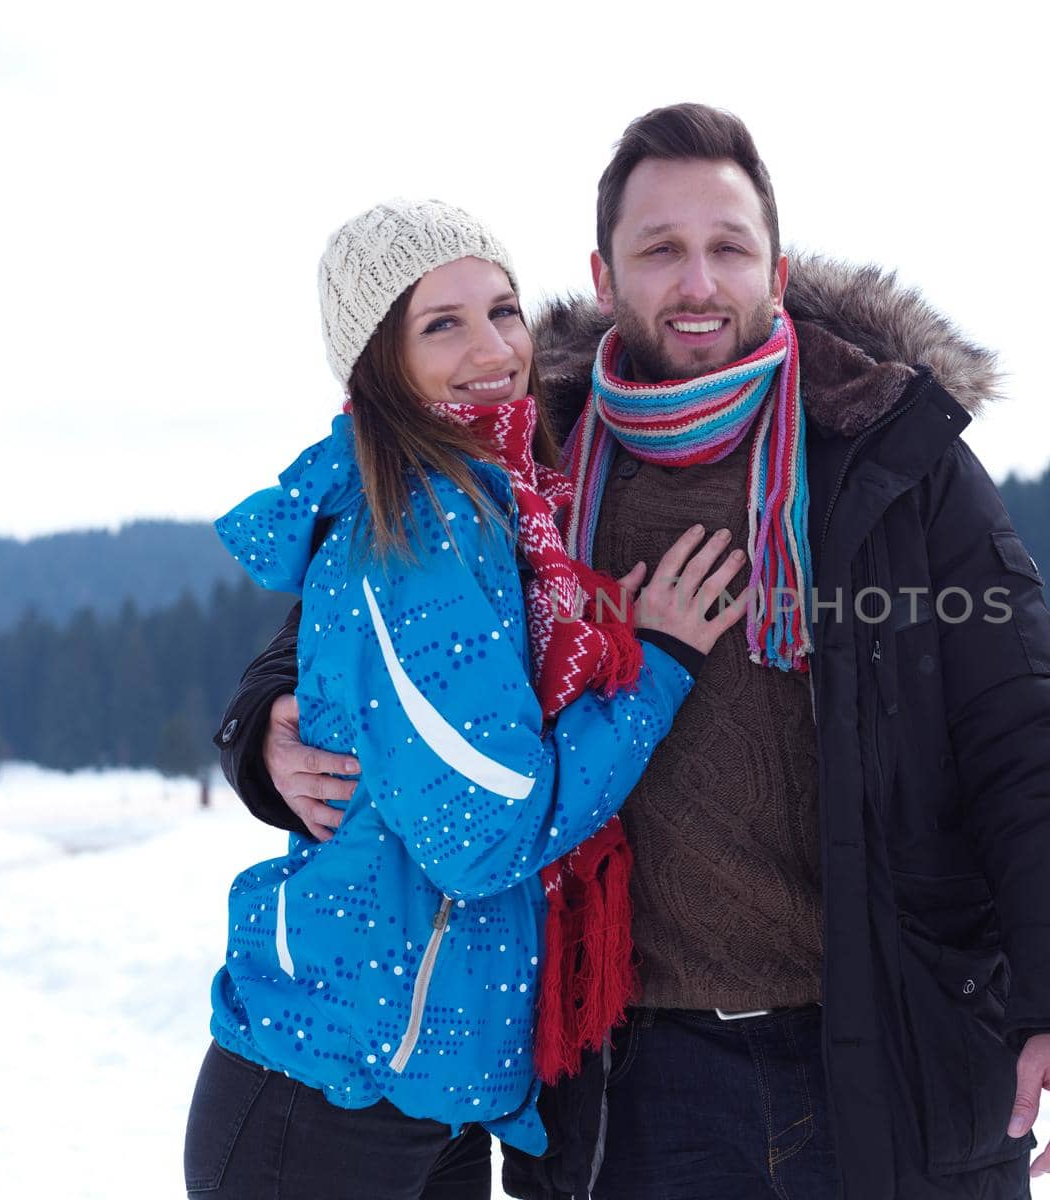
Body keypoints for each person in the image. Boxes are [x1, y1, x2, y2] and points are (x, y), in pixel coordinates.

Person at [214, 107, 1050, 1200]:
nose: (696, 280)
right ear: (605, 276)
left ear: (775, 268)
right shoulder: (526, 453)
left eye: (726, 247)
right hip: (634, 1085)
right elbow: (347, 629)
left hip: (884, 1047)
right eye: (660, 250)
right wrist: (264, 729)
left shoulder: (888, 458)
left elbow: (1028, 739)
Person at [184, 198, 749, 1200]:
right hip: (329, 1104)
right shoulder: (422, 530)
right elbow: (484, 836)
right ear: (379, 363)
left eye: (503, 310)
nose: (493, 349)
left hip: (423, 1091)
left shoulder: (497, 497)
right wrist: (654, 665)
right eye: (440, 324)